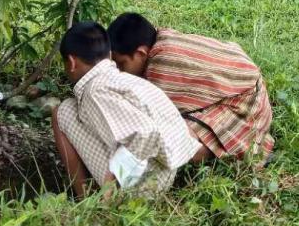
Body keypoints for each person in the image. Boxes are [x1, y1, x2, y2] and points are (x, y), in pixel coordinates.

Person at [51, 21, 198, 199]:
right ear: (109, 54)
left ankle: (87, 202)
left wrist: (110, 186)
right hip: (167, 173)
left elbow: (144, 133)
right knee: (71, 108)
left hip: (144, 185)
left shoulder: (96, 89)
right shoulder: (128, 80)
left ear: (72, 63)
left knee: (62, 112)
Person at [107, 13, 274, 163]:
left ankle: (245, 150)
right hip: (238, 82)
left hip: (247, 102)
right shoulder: (159, 38)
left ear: (141, 54)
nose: (118, 70)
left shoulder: (162, 65)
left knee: (178, 142)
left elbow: (153, 117)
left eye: (121, 64)